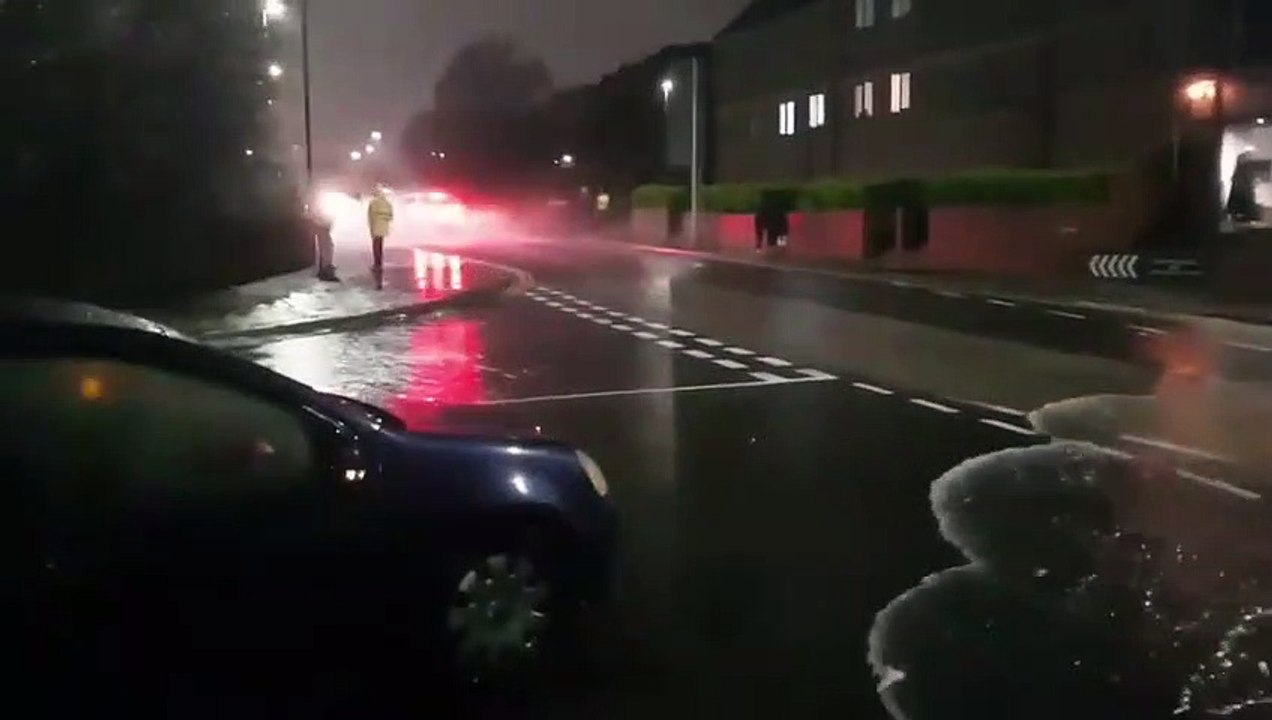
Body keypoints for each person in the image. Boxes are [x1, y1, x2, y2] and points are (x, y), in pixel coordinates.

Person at [367, 185, 394, 282]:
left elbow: (370, 215)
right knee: (381, 245)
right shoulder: (387, 203)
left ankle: (377, 264)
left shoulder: (373, 202)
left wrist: (371, 227)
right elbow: (391, 216)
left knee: (375, 246)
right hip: (383, 227)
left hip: (375, 226)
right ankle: (380, 263)